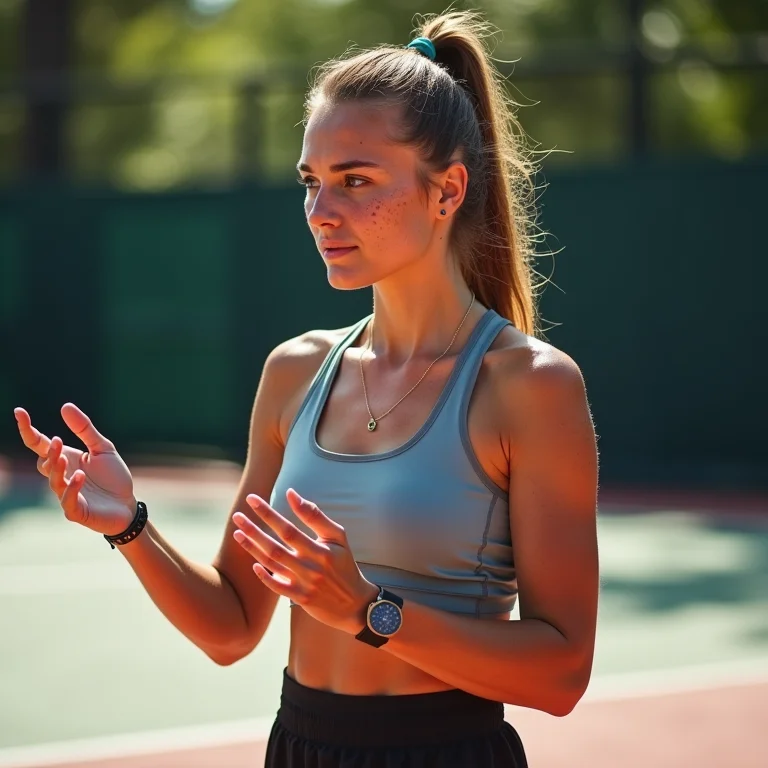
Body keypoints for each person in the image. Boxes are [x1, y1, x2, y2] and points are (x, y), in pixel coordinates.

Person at [14, 10, 599, 767]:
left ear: (447, 189)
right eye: (312, 182)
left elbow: (561, 674)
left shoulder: (529, 385)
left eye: (355, 181)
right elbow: (231, 628)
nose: (322, 212)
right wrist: (129, 526)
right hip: (299, 748)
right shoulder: (295, 370)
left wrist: (368, 611)